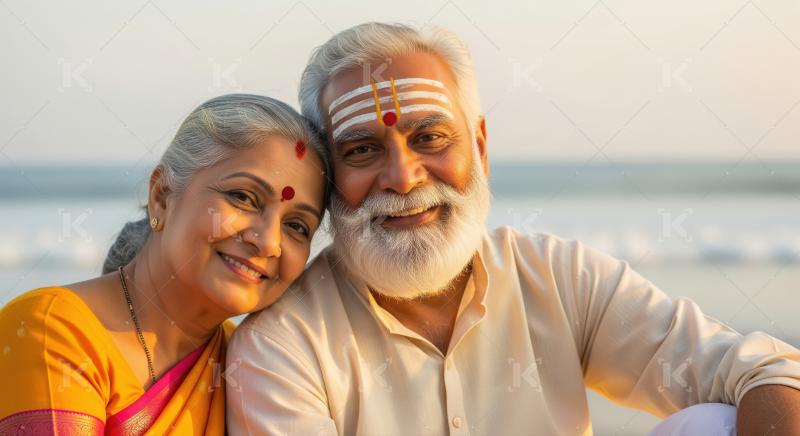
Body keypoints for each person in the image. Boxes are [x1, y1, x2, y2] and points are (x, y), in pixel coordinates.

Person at [226, 23, 800, 435]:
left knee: (713, 422)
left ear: (478, 147)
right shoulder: (281, 344)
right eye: (362, 149)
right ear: (329, 176)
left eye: (429, 138)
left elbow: (764, 369)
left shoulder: (556, 277)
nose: (402, 178)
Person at [0, 94, 329, 434]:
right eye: (243, 197)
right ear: (162, 196)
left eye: (297, 226)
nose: (268, 242)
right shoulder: (51, 329)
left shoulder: (255, 365)